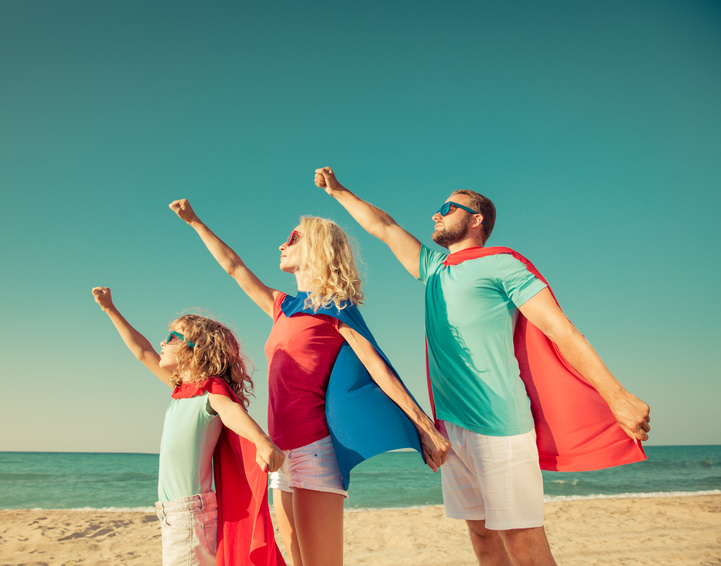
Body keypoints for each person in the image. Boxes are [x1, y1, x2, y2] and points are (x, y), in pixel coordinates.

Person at [314, 166, 651, 566]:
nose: (435, 215)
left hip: (500, 426)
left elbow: (562, 331)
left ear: (475, 219)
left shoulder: (503, 265)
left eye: (447, 207)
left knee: (522, 541)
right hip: (452, 430)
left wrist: (618, 396)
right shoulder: (434, 269)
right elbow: (384, 227)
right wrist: (339, 192)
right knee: (481, 535)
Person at [169, 199, 450, 566]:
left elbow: (378, 367)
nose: (282, 245)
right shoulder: (282, 305)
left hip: (315, 452)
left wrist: (424, 426)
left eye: (293, 237)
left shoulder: (336, 308)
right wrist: (195, 222)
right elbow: (234, 268)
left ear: (317, 246)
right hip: (281, 454)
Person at [91, 286, 286, 566]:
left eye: (171, 337)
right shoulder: (185, 390)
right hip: (176, 513)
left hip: (190, 514)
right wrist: (110, 309)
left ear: (194, 350)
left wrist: (262, 440)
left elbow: (230, 411)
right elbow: (143, 351)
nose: (162, 342)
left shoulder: (209, 389)